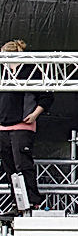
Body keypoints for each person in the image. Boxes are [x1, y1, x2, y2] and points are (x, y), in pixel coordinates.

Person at [0, 38, 52, 214]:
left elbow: (46, 96)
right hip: (3, 125)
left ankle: (33, 200)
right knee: (10, 167)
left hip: (23, 124)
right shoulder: (2, 72)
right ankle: (18, 202)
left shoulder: (30, 71)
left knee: (22, 163)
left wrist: (35, 113)